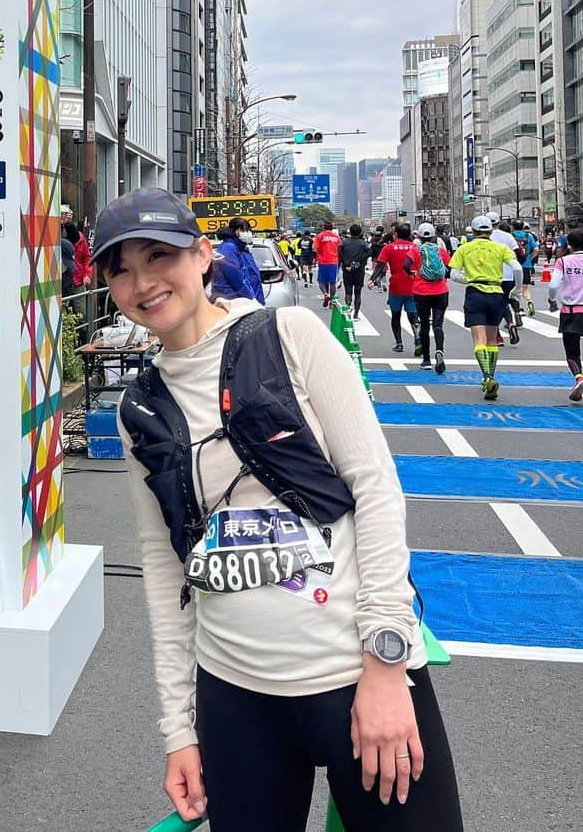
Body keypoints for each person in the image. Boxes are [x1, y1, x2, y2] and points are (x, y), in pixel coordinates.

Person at [90, 188, 462, 831]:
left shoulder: (288, 335)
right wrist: (179, 729)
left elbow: (374, 486)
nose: (142, 282)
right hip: (235, 696)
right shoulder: (139, 409)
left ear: (203, 256)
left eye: (159, 256)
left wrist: (385, 666)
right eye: (119, 269)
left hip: (355, 674)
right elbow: (163, 564)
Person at [448, 214, 523, 401]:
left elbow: (454, 274)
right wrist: (516, 291)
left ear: (473, 232)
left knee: (478, 340)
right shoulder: (500, 248)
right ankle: (491, 375)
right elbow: (518, 268)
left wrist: (471, 279)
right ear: (491, 230)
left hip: (475, 294)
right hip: (496, 293)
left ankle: (487, 377)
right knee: (492, 340)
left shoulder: (465, 249)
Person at [370, 223, 421, 355]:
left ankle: (399, 344)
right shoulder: (415, 247)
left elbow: (380, 265)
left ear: (396, 235)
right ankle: (417, 338)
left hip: (396, 287)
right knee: (413, 315)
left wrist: (372, 279)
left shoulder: (389, 248)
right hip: (413, 286)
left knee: (396, 316)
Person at [547, 227, 583, 403]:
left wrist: (552, 301)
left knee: (572, 351)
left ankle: (579, 377)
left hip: (571, 311)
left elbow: (553, 285)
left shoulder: (564, 261)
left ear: (569, 244)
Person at [413, 224, 451, 374]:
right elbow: (451, 265)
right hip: (441, 291)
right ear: (434, 236)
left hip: (421, 291)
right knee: (438, 324)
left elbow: (407, 266)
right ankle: (439, 350)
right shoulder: (440, 250)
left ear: (419, 237)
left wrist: (415, 275)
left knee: (424, 325)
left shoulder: (415, 251)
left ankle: (426, 360)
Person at [211, 217, 265, 305]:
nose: (248, 233)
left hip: (242, 302)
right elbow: (237, 280)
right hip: (234, 302)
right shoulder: (228, 249)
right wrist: (251, 299)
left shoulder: (241, 249)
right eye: (245, 230)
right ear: (238, 230)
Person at [492, 219, 522, 345]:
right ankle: (510, 323)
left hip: (492, 275)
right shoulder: (508, 236)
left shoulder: (486, 238)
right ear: (498, 222)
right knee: (504, 302)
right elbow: (517, 253)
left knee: (493, 306)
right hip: (509, 274)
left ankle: (497, 336)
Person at [338, 223, 371, 318]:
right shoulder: (363, 243)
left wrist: (346, 262)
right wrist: (359, 260)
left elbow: (340, 252)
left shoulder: (344, 242)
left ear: (350, 232)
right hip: (359, 270)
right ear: (360, 232)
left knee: (348, 291)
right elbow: (369, 252)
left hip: (347, 269)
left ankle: (348, 307)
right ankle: (356, 313)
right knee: (358, 292)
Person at [511, 220, 538, 315]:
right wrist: (529, 258)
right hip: (526, 265)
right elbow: (536, 249)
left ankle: (519, 308)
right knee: (525, 288)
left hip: (513, 265)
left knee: (515, 288)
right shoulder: (529, 236)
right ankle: (529, 301)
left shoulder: (510, 236)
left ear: (512, 227)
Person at [314, 220, 342, 309]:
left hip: (323, 262)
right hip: (333, 261)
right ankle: (332, 301)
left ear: (324, 227)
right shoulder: (337, 237)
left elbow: (316, 248)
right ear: (332, 228)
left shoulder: (320, 236)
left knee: (321, 281)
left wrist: (318, 255)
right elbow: (340, 249)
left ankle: (325, 293)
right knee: (332, 282)